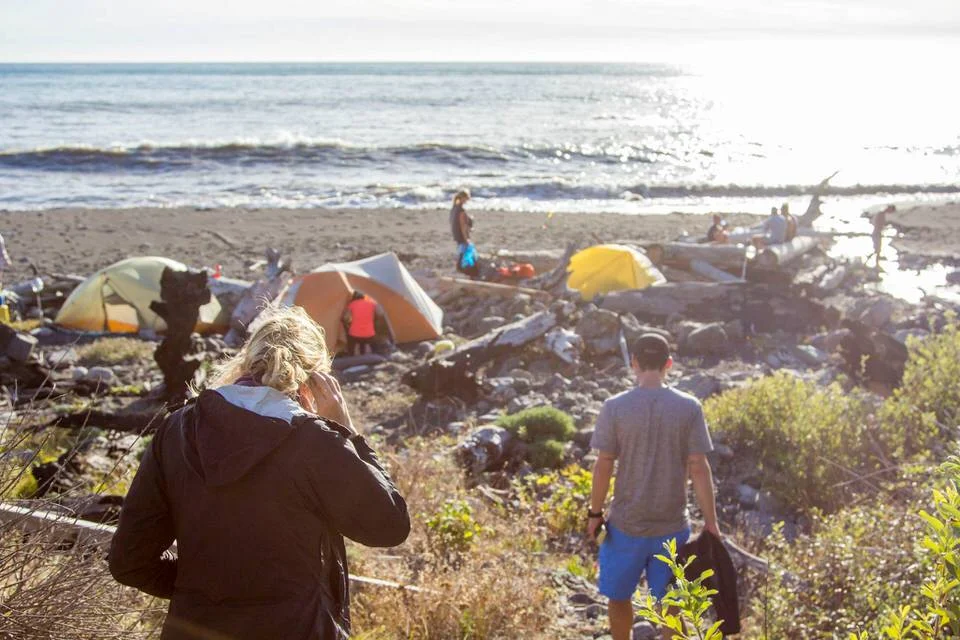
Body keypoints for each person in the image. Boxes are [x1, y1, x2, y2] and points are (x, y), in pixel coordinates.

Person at [109, 306, 410, 640]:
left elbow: (129, 562)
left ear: (246, 361)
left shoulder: (176, 430)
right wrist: (349, 434)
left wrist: (204, 590)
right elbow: (389, 526)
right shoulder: (314, 441)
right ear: (314, 380)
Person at [588, 333, 719, 640]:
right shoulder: (689, 407)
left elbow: (604, 463)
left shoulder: (614, 407)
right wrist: (711, 523)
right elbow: (698, 466)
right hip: (672, 527)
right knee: (670, 602)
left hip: (624, 525)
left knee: (619, 597)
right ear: (668, 364)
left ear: (633, 363)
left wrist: (594, 513)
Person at [450, 189, 479, 278]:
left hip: (457, 236)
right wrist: (467, 239)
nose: (468, 200)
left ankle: (465, 271)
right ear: (463, 198)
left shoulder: (454, 208)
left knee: (463, 254)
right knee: (466, 257)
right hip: (462, 237)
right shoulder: (461, 211)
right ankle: (468, 273)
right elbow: (463, 226)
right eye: (467, 198)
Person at [343, 290, 378, 356]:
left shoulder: (352, 304)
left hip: (355, 335)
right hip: (369, 335)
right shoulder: (372, 304)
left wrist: (348, 324)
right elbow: (377, 316)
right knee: (364, 339)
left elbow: (345, 318)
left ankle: (351, 355)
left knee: (350, 337)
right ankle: (364, 354)